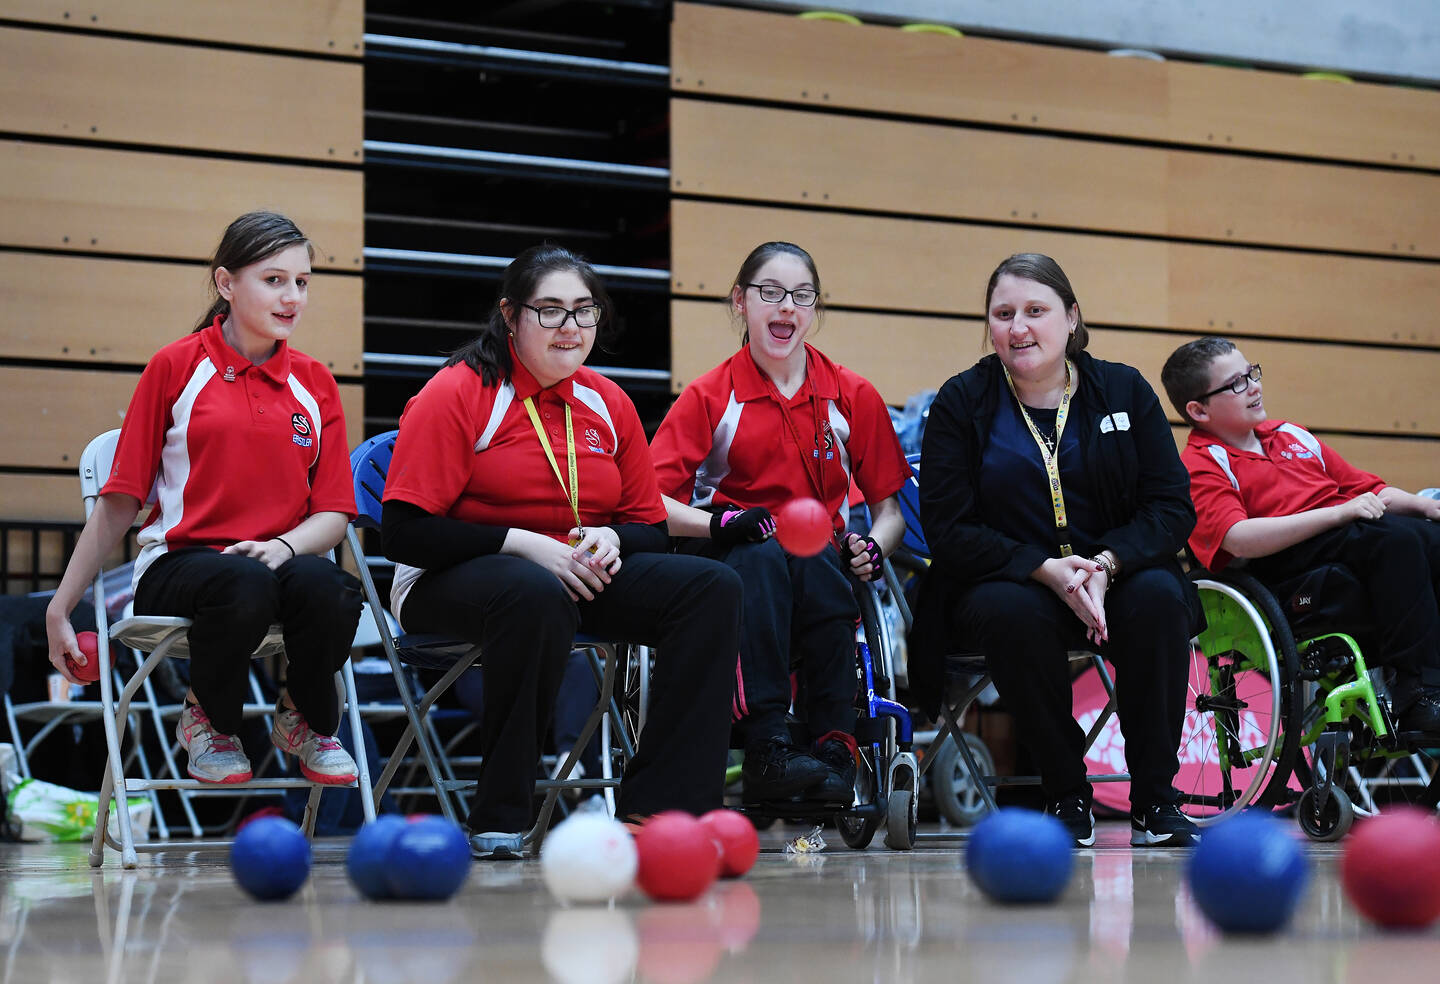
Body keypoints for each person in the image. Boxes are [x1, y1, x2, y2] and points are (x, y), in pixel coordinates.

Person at [379, 244, 742, 859]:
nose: (570, 327)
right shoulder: (458, 392)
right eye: (549, 311)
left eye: (584, 311)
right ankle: (501, 814)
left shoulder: (608, 402)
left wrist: (615, 536)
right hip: (451, 580)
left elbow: (651, 523)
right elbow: (404, 532)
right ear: (509, 315)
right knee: (532, 592)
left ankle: (660, 808)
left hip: (572, 576)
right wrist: (523, 546)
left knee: (710, 589)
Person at [45, 211, 363, 787]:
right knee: (244, 581)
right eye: (274, 280)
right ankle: (207, 720)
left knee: (334, 587)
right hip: (179, 565)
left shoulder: (316, 384)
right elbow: (119, 503)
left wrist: (284, 547)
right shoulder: (176, 366)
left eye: (302, 282)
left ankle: (304, 720)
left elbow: (334, 514)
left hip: (279, 562)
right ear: (225, 283)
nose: (292, 297)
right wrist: (59, 607)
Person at [909, 253, 1202, 847]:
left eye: (1035, 311)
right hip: (1005, 581)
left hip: (1114, 576)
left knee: (1159, 598)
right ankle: (1066, 792)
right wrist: (1044, 570)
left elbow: (1172, 507)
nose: (1018, 328)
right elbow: (948, 527)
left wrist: (1105, 565)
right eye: (1003, 314)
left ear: (1071, 318)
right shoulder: (961, 402)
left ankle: (1156, 797)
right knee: (1013, 614)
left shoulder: (1122, 388)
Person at [649, 242, 910, 805]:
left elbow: (890, 513)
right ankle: (766, 742)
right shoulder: (709, 397)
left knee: (818, 555)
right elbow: (650, 501)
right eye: (770, 292)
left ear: (815, 308)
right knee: (762, 552)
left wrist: (873, 546)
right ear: (741, 302)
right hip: (730, 554)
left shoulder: (853, 395)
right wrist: (721, 526)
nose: (786, 307)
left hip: (819, 562)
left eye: (801, 295)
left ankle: (837, 742)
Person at [1161, 336, 1440, 731]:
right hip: (1285, 567)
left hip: (1345, 539)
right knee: (1395, 543)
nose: (1254, 386)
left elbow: (1370, 491)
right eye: (1236, 383)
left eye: (1251, 374)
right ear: (1198, 409)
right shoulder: (1201, 464)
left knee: (1429, 537)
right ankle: (1417, 696)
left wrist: (1427, 506)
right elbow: (1237, 537)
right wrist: (1336, 515)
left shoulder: (1291, 434)